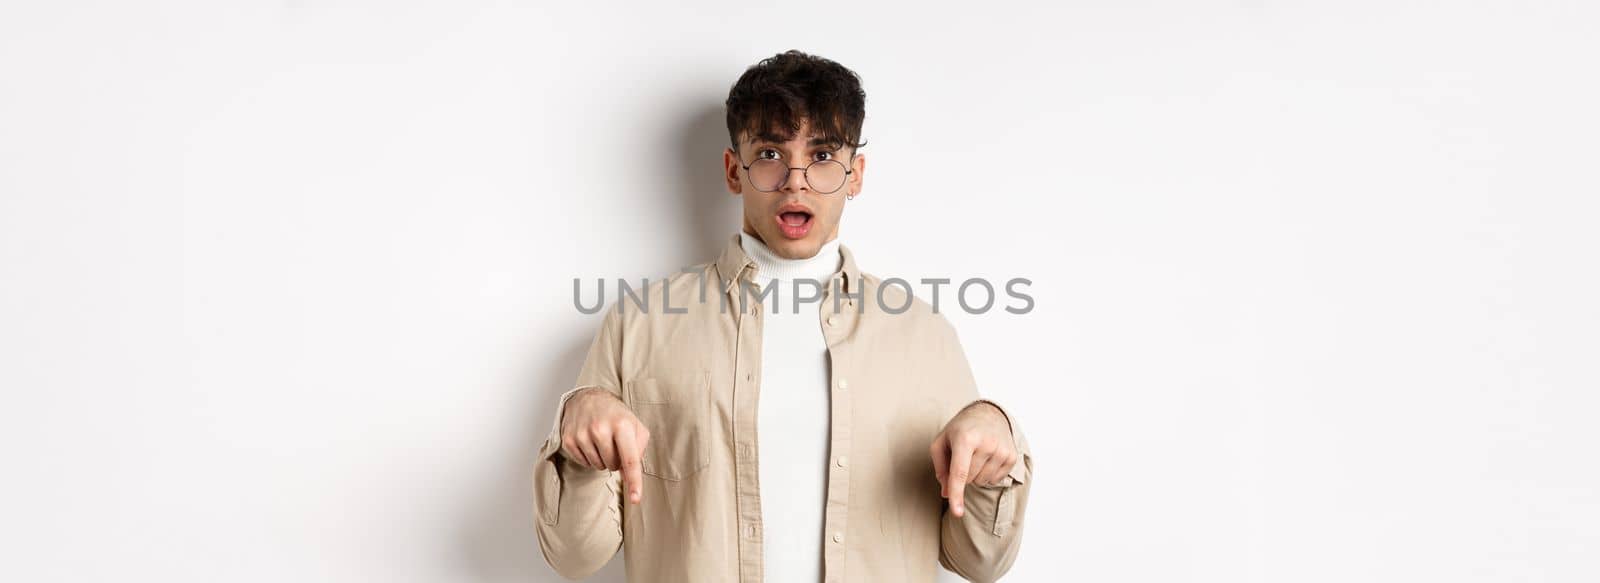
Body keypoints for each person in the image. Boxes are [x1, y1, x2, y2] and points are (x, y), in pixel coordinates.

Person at [532, 49, 1033, 583]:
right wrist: (578, 441)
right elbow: (573, 557)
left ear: (855, 175)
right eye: (770, 153)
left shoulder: (924, 335)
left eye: (821, 156)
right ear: (733, 170)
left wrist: (996, 439)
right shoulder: (640, 324)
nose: (796, 181)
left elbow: (980, 561)